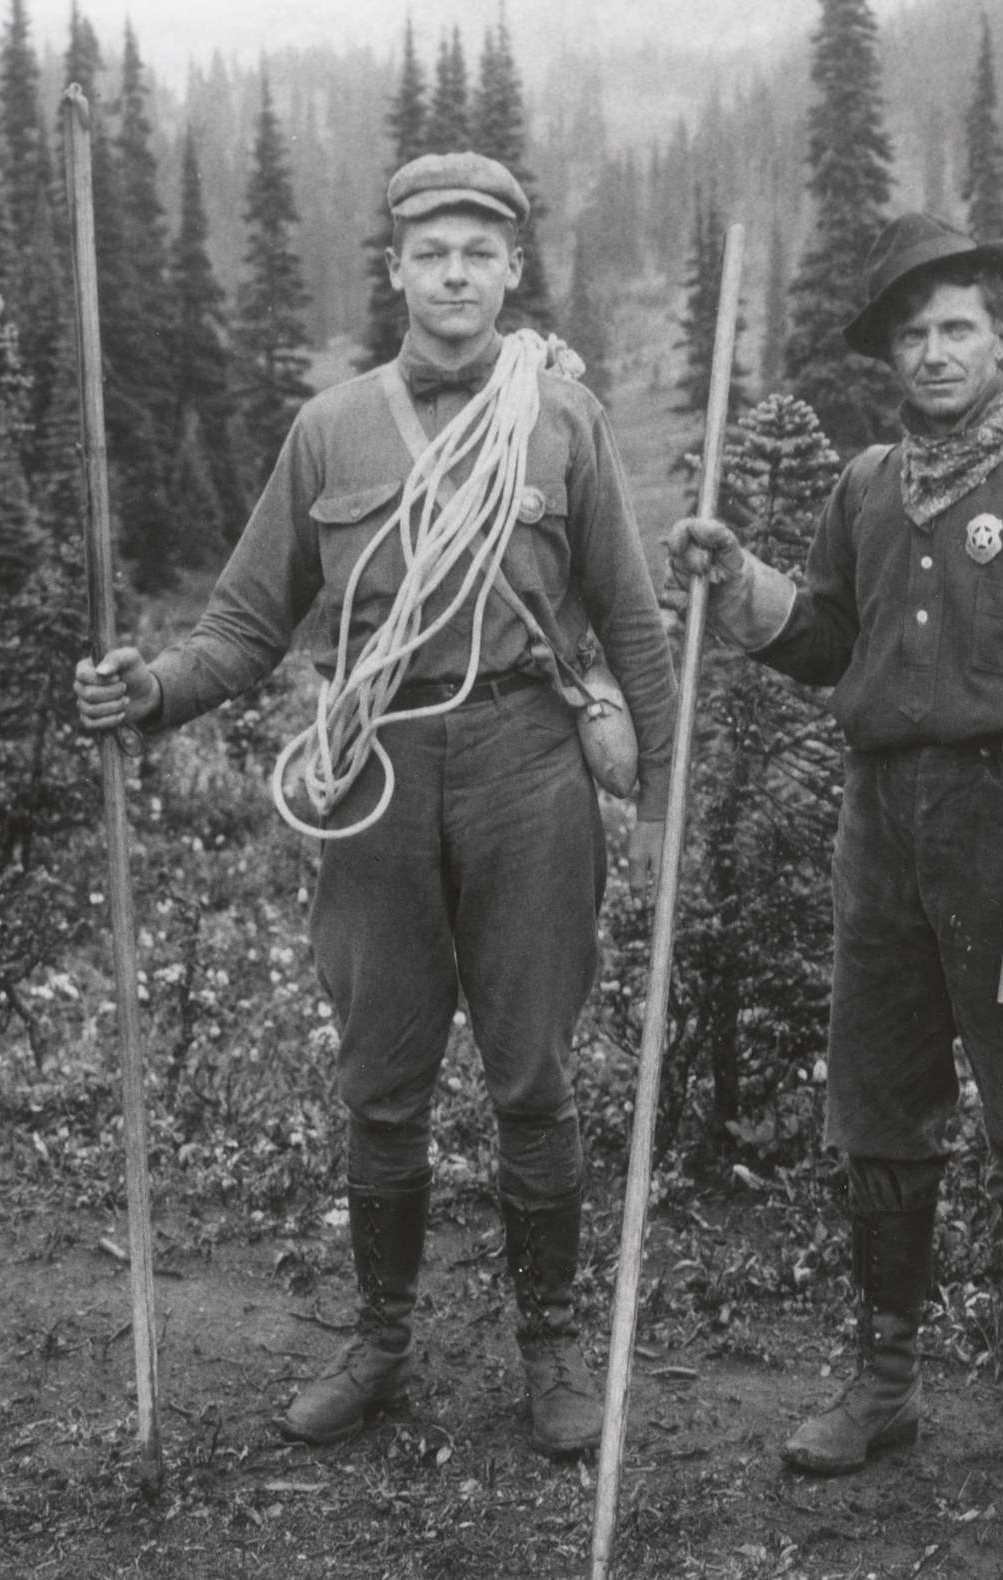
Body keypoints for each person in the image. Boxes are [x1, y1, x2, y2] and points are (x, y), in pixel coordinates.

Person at [73, 152, 678, 1456]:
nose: (455, 274)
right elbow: (243, 627)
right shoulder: (329, 431)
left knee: (534, 1081)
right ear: (396, 268)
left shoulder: (563, 422)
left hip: (529, 773)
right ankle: (384, 1342)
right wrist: (154, 689)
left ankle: (552, 1353)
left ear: (511, 269)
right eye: (431, 252)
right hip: (376, 780)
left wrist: (662, 803)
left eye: (479, 252)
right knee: (383, 1085)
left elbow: (634, 625)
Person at [667, 212, 1003, 1486]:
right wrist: (740, 577)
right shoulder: (863, 487)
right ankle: (884, 1379)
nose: (931, 352)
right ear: (886, 357)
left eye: (955, 326)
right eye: (908, 334)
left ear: (1002, 337)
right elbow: (824, 644)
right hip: (880, 832)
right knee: (876, 1099)